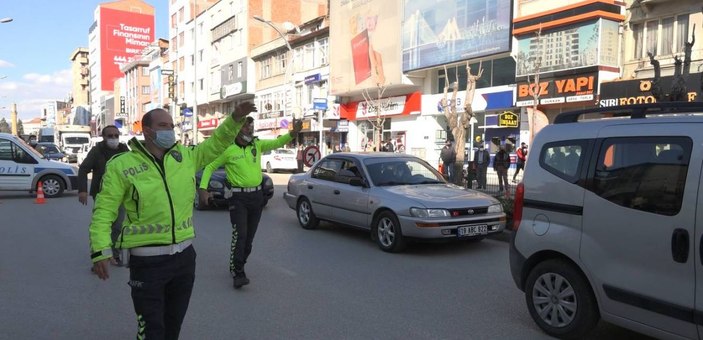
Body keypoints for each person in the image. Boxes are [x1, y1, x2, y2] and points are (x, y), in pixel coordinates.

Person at [89, 103, 254, 339]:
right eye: (163, 126)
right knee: (152, 330)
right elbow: (104, 210)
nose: (170, 130)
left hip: (184, 259)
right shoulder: (122, 166)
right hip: (147, 263)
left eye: (171, 126)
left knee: (172, 327)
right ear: (147, 130)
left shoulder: (185, 157)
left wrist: (236, 118)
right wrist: (100, 249)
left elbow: (217, 143)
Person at [198, 117, 303, 289]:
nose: (249, 129)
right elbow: (209, 168)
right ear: (237, 130)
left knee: (249, 238)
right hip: (238, 199)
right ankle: (238, 272)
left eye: (250, 126)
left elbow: (278, 142)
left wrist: (293, 133)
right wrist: (203, 189)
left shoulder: (257, 145)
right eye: (245, 126)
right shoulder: (228, 150)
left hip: (256, 198)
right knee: (240, 235)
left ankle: (239, 262)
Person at [79, 125, 129, 266]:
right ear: (104, 137)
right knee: (101, 226)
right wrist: (82, 190)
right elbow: (83, 169)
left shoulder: (124, 150)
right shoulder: (97, 151)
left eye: (116, 135)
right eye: (110, 136)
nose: (114, 138)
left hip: (120, 194)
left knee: (118, 226)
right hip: (102, 194)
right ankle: (99, 259)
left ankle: (114, 254)